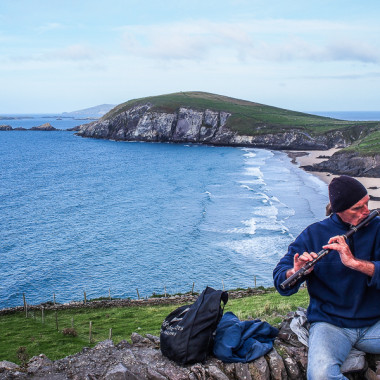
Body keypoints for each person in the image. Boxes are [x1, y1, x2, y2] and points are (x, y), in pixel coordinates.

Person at [273, 175, 380, 380]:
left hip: (375, 322)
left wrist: (355, 263)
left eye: (367, 204)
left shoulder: (377, 228)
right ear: (339, 211)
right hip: (331, 326)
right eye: (357, 209)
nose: (367, 212)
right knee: (321, 375)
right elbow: (280, 280)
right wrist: (295, 272)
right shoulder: (314, 234)